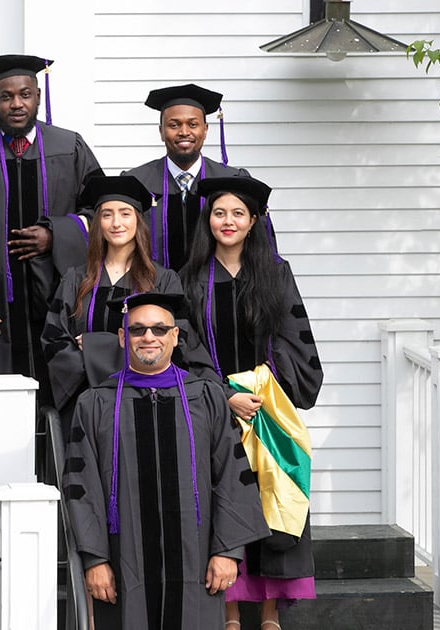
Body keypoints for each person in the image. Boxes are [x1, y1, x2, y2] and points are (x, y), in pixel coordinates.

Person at [62, 292, 269, 628]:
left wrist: (228, 552)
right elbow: (82, 489)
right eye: (137, 329)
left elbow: (232, 475)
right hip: (123, 563)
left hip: (198, 562)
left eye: (159, 330)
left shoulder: (207, 397)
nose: (148, 337)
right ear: (121, 336)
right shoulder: (95, 404)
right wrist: (95, 559)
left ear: (175, 336)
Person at [178, 176, 324, 630]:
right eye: (220, 213)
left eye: (238, 213)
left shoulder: (276, 273)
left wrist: (264, 387)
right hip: (216, 407)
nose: (228, 221)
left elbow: (294, 338)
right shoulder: (188, 280)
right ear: (208, 220)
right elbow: (186, 347)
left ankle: (267, 613)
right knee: (223, 500)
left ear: (254, 220)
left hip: (268, 405)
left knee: (272, 500)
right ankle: (228, 611)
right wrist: (225, 394)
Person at [0, 54, 102, 410]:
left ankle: (55, 465)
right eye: (6, 96)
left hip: (57, 295)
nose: (16, 104)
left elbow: (101, 211)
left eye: (25, 94)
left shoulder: (69, 146)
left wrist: (57, 235)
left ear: (38, 96)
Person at [41, 175, 182, 423]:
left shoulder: (163, 281)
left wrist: (97, 346)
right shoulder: (76, 279)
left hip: (146, 398)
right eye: (107, 215)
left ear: (138, 221)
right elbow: (54, 339)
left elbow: (172, 342)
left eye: (125, 213)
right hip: (86, 402)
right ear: (98, 223)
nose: (116, 223)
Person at [121, 83, 251, 273]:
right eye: (174, 125)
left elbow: (255, 247)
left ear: (205, 130)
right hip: (152, 293)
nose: (184, 132)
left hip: (215, 294)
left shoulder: (232, 181)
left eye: (193, 124)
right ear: (161, 131)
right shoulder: (136, 182)